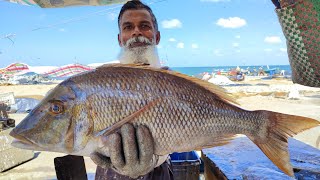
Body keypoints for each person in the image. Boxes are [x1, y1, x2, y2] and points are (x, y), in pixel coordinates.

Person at [91, 1, 174, 179]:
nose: (136, 32)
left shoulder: (173, 82)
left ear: (157, 37)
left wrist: (153, 160)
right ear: (120, 38)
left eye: (144, 26)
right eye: (128, 27)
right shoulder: (103, 81)